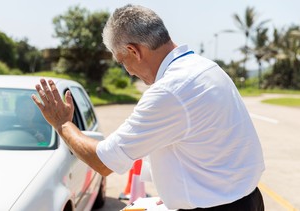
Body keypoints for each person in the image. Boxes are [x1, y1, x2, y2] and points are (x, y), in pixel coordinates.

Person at [32, 4, 265, 210]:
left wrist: (63, 124)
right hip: (247, 199)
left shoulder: (169, 91)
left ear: (134, 51)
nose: (129, 71)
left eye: (123, 62)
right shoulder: (206, 67)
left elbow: (103, 162)